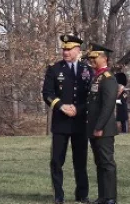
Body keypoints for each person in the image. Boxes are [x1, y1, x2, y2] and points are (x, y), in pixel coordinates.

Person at [42, 34, 92, 204]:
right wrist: (61, 106)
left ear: (78, 50)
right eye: (64, 48)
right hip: (61, 123)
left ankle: (82, 195)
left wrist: (78, 109)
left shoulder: (87, 70)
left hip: (80, 123)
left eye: (69, 49)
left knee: (80, 161)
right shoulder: (54, 69)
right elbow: (47, 94)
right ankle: (58, 196)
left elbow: (91, 97)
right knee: (57, 161)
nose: (65, 52)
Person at [86, 43, 119, 204]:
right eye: (91, 57)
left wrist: (99, 127)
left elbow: (108, 106)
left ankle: (111, 197)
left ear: (104, 58)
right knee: (99, 163)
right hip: (94, 128)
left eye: (94, 57)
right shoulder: (96, 77)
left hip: (104, 129)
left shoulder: (108, 78)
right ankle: (102, 196)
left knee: (107, 163)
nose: (92, 60)